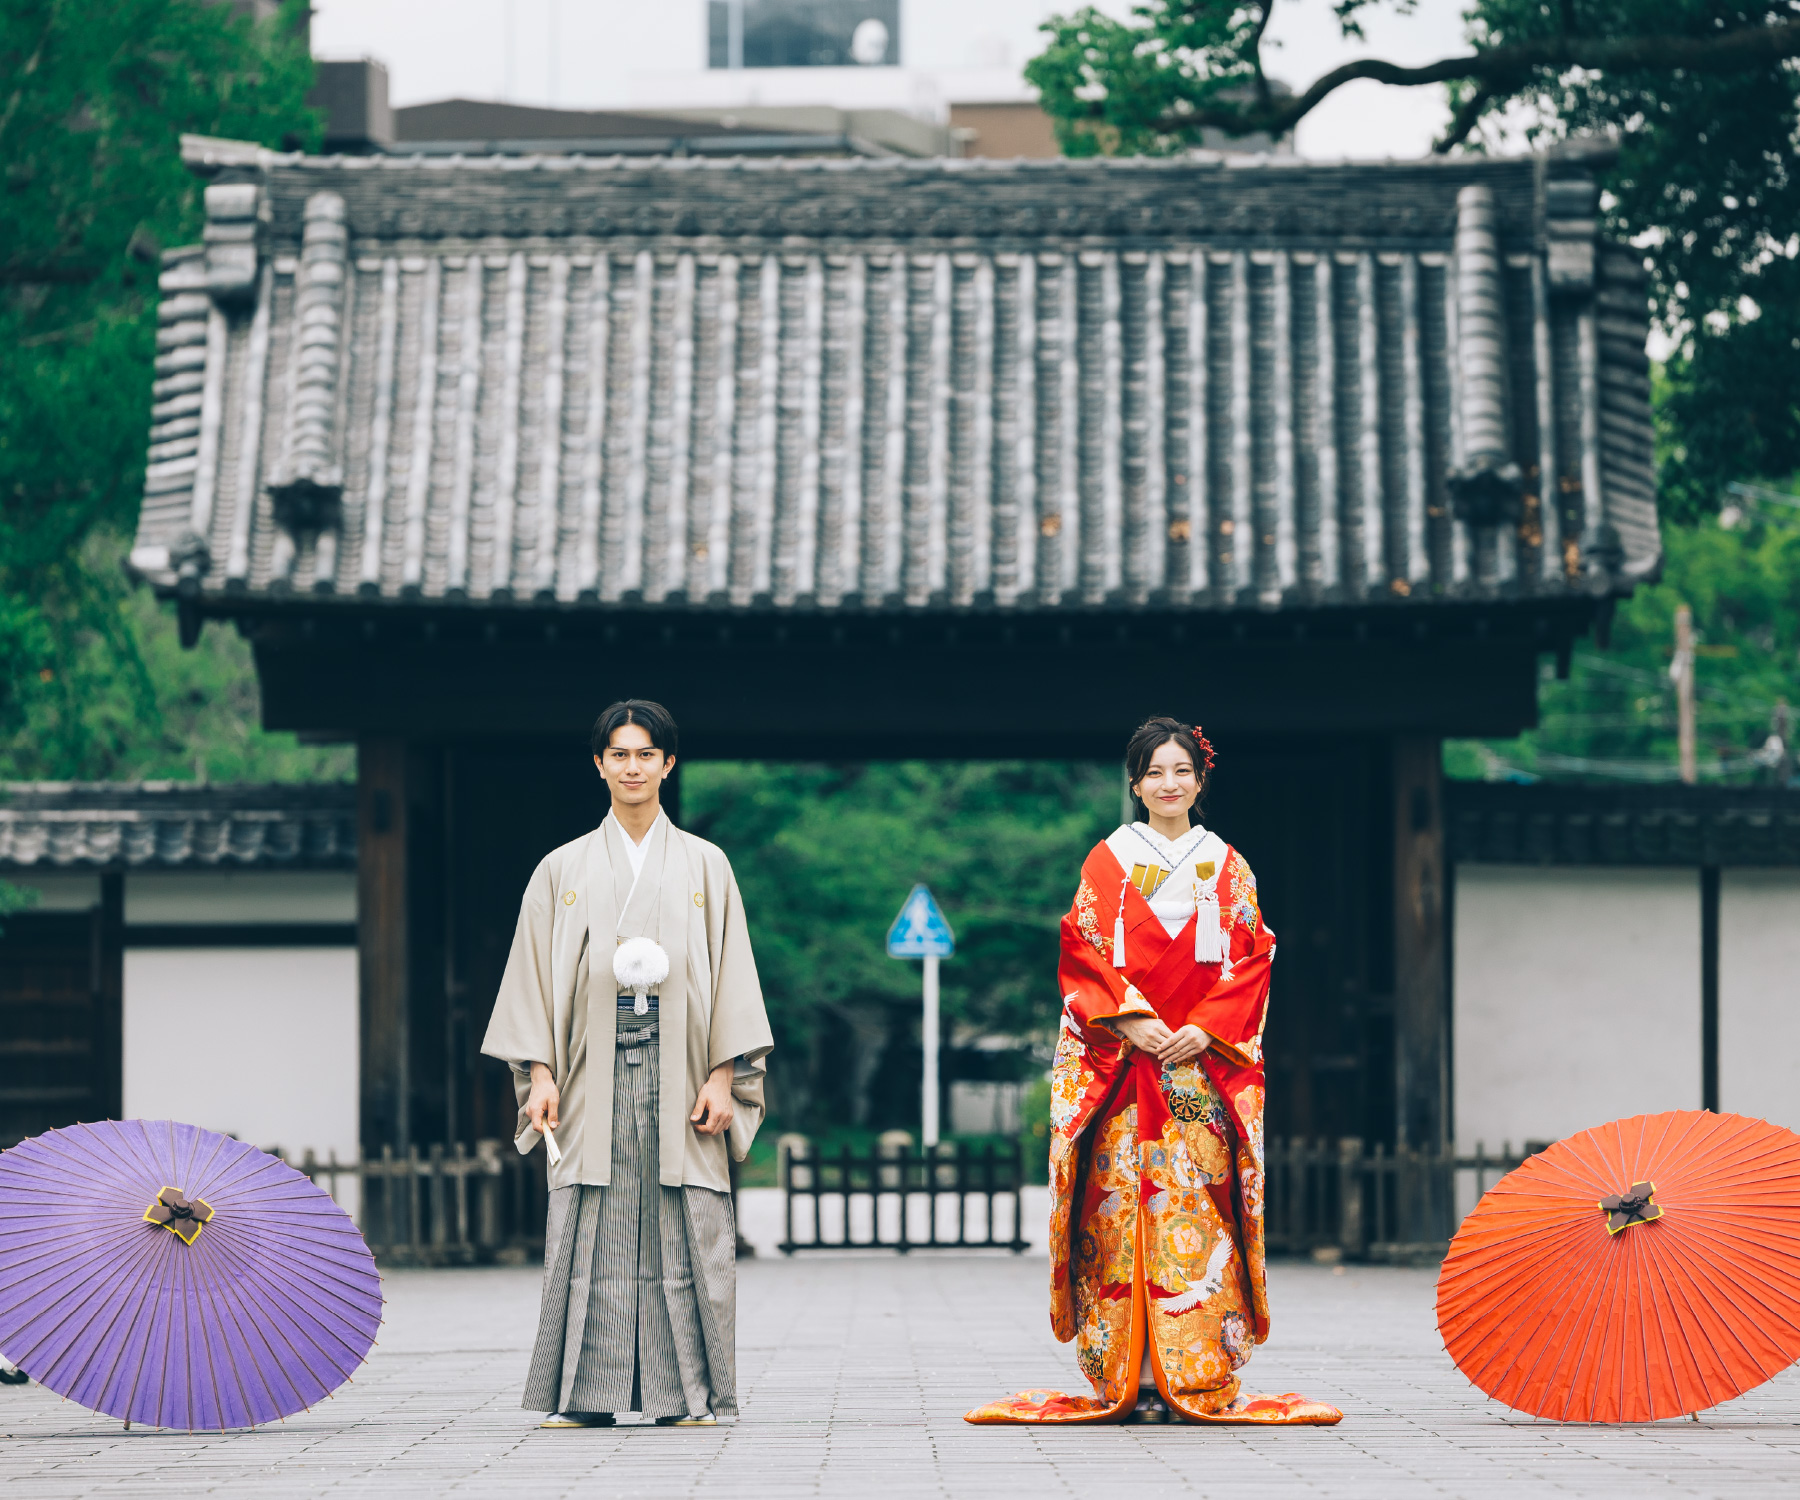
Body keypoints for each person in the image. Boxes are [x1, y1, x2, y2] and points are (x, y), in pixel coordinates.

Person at [967, 716, 1341, 1427]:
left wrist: (1203, 1029)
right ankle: (1129, 1373)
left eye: (1182, 771)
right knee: (1117, 1208)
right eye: (1154, 772)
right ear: (1134, 782)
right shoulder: (1105, 861)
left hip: (1196, 1075)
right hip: (1122, 1068)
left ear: (1201, 780)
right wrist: (1128, 1021)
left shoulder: (1228, 865)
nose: (1169, 784)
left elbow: (1253, 955)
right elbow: (1080, 951)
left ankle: (1193, 1369)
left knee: (1197, 1204)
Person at [481, 699, 773, 1428]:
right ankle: (585, 1396)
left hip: (684, 1066)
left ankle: (689, 1397)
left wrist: (722, 1077)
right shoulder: (562, 868)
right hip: (588, 1067)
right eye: (620, 754)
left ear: (669, 765)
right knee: (590, 1220)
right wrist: (539, 1073)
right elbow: (532, 979)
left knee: (686, 1222)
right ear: (599, 764)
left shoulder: (707, 863)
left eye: (647, 754)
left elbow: (731, 973)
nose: (633, 766)